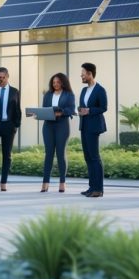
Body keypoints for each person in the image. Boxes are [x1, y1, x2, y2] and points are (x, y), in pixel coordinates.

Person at [33, 72, 76, 193]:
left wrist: (60, 112)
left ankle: (62, 182)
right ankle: (45, 182)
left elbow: (71, 109)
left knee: (61, 153)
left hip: (62, 125)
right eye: (53, 82)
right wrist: (39, 114)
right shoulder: (47, 94)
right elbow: (45, 109)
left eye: (58, 82)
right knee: (49, 154)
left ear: (63, 82)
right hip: (48, 126)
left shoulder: (69, 94)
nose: (55, 84)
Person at [77, 62, 108, 198]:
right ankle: (91, 187)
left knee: (94, 157)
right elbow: (83, 106)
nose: (81, 76)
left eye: (83, 74)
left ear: (90, 74)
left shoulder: (100, 90)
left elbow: (103, 107)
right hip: (84, 126)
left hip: (94, 127)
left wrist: (89, 110)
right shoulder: (84, 90)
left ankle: (98, 189)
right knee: (88, 157)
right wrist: (80, 110)